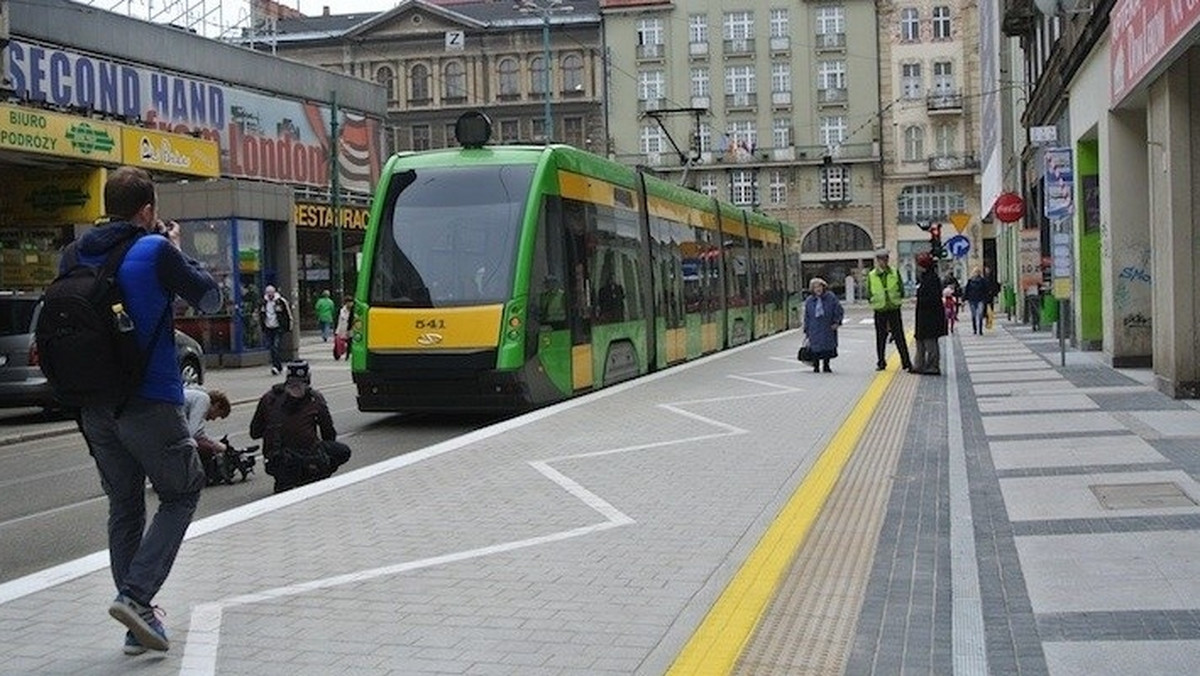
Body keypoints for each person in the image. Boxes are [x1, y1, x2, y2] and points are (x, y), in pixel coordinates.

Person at [68, 166, 221, 655]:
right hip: (149, 399)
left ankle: (137, 625)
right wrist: (171, 246)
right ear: (148, 210)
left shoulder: (75, 252)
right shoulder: (154, 249)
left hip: (94, 406)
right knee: (182, 490)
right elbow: (211, 296)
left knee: (125, 504)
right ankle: (135, 597)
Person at [250, 361, 352, 494]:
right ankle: (316, 477)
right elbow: (329, 434)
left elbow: (254, 432)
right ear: (308, 378)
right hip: (308, 460)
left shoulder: (269, 398)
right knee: (342, 451)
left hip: (276, 461)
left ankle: (286, 480)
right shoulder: (315, 399)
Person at [866, 249, 913, 372]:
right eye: (881, 259)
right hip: (880, 308)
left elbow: (901, 288)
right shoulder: (872, 275)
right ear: (877, 261)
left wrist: (897, 298)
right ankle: (881, 362)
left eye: (885, 259)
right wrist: (874, 301)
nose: (884, 261)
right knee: (880, 337)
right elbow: (868, 292)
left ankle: (906, 362)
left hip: (893, 307)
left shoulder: (894, 272)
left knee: (899, 336)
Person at [182, 386, 232, 479]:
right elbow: (194, 433)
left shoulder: (195, 396)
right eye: (218, 415)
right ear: (217, 405)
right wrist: (217, 446)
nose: (213, 419)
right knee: (202, 448)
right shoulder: (203, 400)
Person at [912, 251, 947, 375]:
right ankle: (919, 364)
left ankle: (933, 366)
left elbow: (933, 298)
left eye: (919, 265)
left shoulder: (931, 278)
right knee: (920, 340)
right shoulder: (926, 277)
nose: (918, 268)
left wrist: (919, 299)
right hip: (924, 315)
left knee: (930, 341)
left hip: (930, 316)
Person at [803, 277, 844, 373]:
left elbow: (838, 310)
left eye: (819, 286)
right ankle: (816, 366)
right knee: (815, 347)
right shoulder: (809, 301)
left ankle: (826, 365)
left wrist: (836, 322)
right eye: (815, 287)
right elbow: (807, 315)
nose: (818, 289)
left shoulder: (831, 297)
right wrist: (806, 328)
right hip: (814, 328)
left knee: (827, 347)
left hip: (827, 326)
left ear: (823, 287)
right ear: (812, 289)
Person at [259, 284, 292, 375]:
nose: (270, 295)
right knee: (271, 347)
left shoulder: (281, 301)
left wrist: (288, 327)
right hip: (268, 328)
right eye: (268, 293)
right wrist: (262, 326)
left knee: (275, 347)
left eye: (271, 293)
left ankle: (276, 366)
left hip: (278, 328)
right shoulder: (263, 302)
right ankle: (277, 366)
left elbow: (288, 314)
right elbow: (261, 314)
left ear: (274, 292)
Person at [963, 267, 990, 335]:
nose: (976, 273)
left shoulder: (983, 281)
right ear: (973, 273)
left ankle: (980, 330)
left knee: (980, 314)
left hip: (981, 299)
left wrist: (987, 298)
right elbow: (967, 290)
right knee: (974, 315)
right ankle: (975, 329)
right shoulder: (970, 281)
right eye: (975, 272)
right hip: (972, 300)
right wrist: (964, 299)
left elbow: (986, 290)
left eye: (977, 272)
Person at [333, 296, 354, 360]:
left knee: (349, 342)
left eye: (351, 302)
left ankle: (347, 355)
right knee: (338, 343)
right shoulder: (341, 310)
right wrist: (335, 329)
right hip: (340, 329)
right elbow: (336, 319)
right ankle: (337, 354)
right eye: (348, 302)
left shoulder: (353, 311)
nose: (350, 304)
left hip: (349, 329)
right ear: (346, 303)